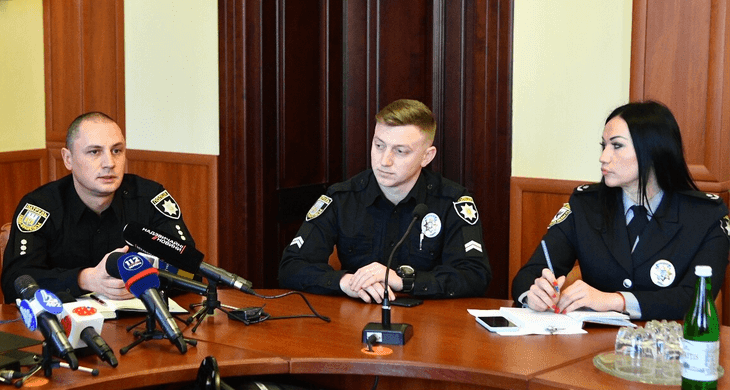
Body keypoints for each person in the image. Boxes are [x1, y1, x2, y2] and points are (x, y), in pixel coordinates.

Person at [512, 101, 730, 320]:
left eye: (616, 146)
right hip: (594, 338)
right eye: (604, 145)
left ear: (653, 151)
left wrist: (615, 301)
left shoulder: (706, 216)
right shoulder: (586, 205)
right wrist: (533, 294)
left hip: (668, 339)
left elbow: (695, 297)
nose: (603, 157)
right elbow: (530, 274)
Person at [279, 99, 492, 302]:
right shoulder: (342, 198)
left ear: (427, 156)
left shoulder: (452, 201)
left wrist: (404, 282)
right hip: (356, 316)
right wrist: (345, 282)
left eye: (400, 151)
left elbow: (475, 275)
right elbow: (291, 266)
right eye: (379, 145)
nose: (384, 161)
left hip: (428, 320)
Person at [0, 112, 195, 303]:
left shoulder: (149, 197)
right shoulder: (41, 206)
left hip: (140, 318)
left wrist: (144, 282)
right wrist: (84, 279)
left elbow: (191, 271)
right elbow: (13, 284)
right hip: (65, 321)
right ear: (68, 159)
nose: (109, 163)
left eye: (116, 151)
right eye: (94, 152)